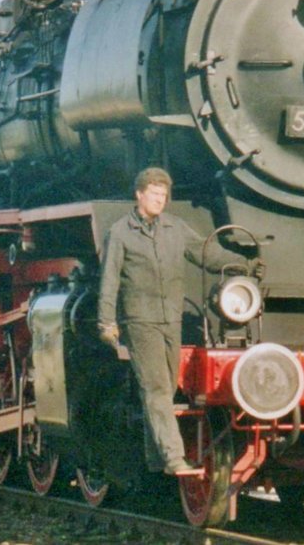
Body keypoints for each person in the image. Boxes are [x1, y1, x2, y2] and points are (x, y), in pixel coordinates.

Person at [97, 167, 256, 476]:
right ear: (139, 195)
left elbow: (206, 254)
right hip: (140, 321)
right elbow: (109, 281)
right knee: (156, 388)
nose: (160, 200)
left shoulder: (176, 228)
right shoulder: (119, 233)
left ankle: (154, 458)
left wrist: (243, 265)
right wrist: (106, 323)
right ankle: (173, 459)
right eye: (155, 194)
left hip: (171, 319)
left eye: (164, 196)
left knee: (166, 389)